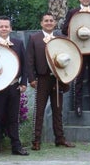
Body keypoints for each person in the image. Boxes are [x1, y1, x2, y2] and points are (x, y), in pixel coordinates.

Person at [27, 13, 75, 151]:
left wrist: (66, 77)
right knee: (39, 110)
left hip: (57, 79)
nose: (49, 23)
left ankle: (59, 138)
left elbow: (68, 58)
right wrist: (31, 78)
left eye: (51, 21)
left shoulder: (61, 38)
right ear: (41, 23)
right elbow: (29, 60)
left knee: (57, 109)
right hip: (41, 79)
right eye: (46, 21)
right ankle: (36, 140)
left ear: (55, 23)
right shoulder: (34, 38)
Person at [0, 16, 28, 158]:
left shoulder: (19, 43)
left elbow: (25, 65)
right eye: (1, 26)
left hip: (14, 86)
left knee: (14, 118)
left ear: (10, 28)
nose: (4, 29)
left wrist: (23, 83)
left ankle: (16, 146)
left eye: (6, 26)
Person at [61, 0, 90, 116]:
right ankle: (78, 105)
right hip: (78, 49)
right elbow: (64, 30)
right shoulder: (73, 12)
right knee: (78, 77)